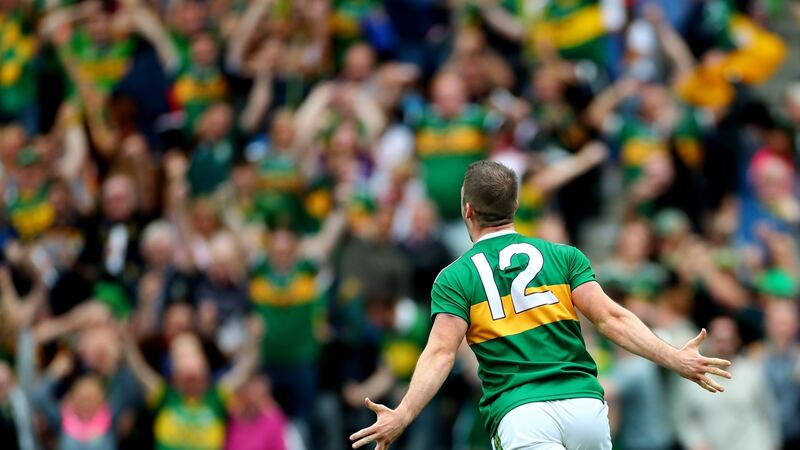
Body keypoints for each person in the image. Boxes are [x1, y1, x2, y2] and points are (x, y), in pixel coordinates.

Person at [351, 160, 732, 450]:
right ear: (515, 206)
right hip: (585, 406)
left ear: (467, 210)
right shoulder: (564, 256)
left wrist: (403, 414)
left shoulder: (455, 277)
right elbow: (611, 319)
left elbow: (439, 354)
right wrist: (675, 358)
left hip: (522, 412)